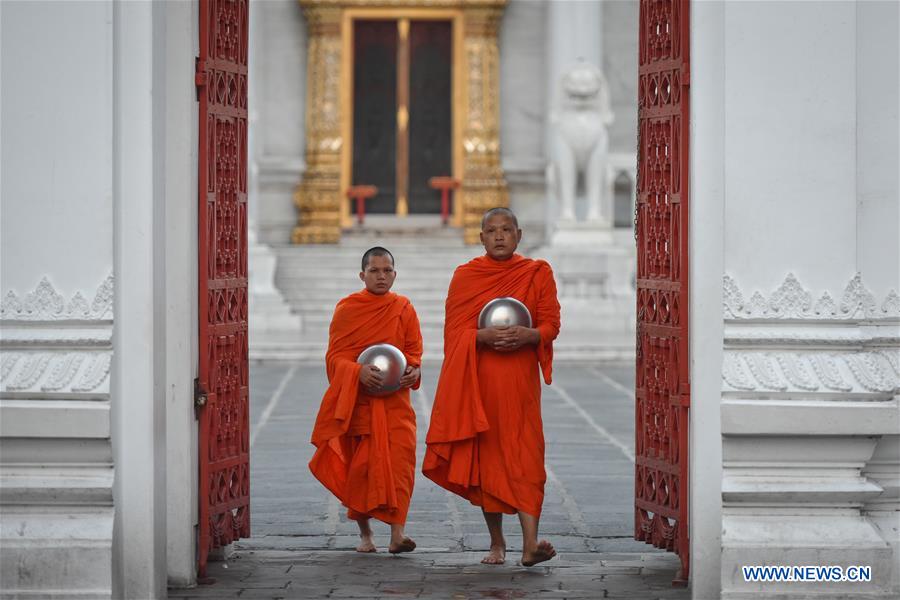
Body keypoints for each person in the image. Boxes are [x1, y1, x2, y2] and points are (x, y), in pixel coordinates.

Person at [423, 207, 561, 566]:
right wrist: (481, 336)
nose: (499, 236)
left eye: (506, 229)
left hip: (519, 385)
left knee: (528, 458)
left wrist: (529, 334)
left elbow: (550, 324)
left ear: (519, 234)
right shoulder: (467, 276)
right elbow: (454, 333)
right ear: (481, 237)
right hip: (480, 383)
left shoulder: (537, 273)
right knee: (488, 462)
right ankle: (497, 543)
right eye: (491, 230)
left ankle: (530, 544)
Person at [309, 246, 422, 553]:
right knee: (361, 469)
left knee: (400, 465)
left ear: (395, 274)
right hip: (361, 402)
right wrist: (356, 372)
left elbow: (413, 351)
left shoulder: (404, 307)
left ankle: (398, 534)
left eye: (387, 271)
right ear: (362, 275)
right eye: (374, 271)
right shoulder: (348, 308)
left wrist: (414, 371)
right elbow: (335, 357)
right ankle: (366, 535)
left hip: (396, 402)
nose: (381, 276)